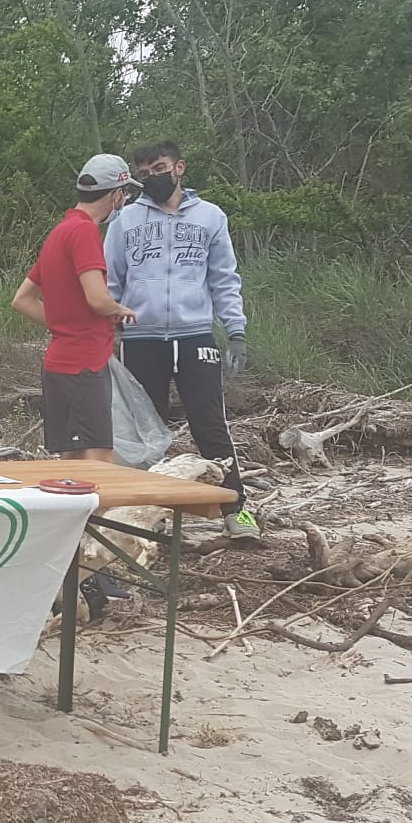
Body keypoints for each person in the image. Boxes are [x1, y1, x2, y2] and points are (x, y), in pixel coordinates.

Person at [106, 141, 256, 542]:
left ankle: (235, 510)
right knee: (146, 432)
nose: (153, 176)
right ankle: (142, 521)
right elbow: (111, 281)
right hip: (140, 339)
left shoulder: (210, 217)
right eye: (145, 171)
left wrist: (236, 331)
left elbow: (224, 278)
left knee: (210, 425)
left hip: (194, 337)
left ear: (179, 168)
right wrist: (109, 330)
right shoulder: (124, 221)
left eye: (160, 167)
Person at [10, 153, 140, 462]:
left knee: (72, 460)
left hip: (61, 362)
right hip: (84, 364)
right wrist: (119, 310)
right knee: (98, 461)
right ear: (116, 195)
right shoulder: (84, 231)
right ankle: (94, 514)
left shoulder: (60, 232)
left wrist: (64, 325)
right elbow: (97, 299)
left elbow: (22, 300)